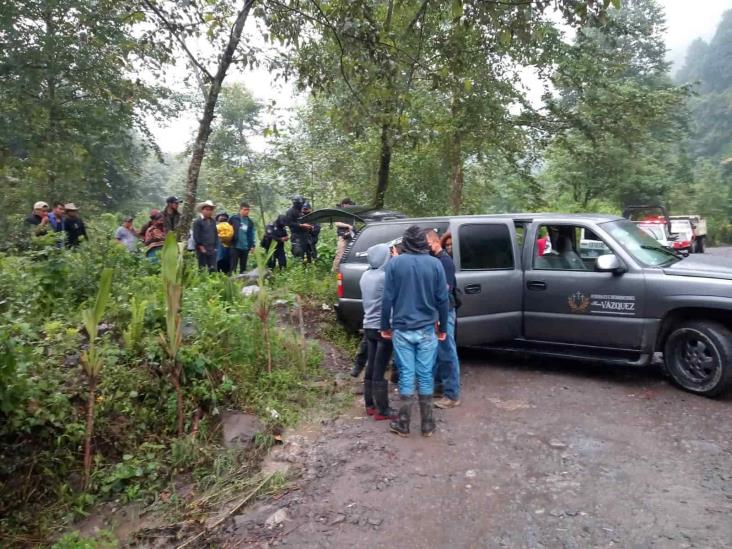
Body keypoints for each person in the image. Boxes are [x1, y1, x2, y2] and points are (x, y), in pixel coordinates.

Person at [380, 226, 448, 438]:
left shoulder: (395, 263)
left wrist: (384, 326)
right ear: (423, 242)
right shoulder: (436, 264)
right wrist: (443, 327)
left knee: (407, 374)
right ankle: (428, 425)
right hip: (428, 329)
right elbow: (443, 300)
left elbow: (387, 298)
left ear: (406, 242)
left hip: (402, 329)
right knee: (426, 374)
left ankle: (403, 424)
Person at [359, 244, 396, 421]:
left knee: (372, 365)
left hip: (368, 326)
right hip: (383, 328)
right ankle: (383, 410)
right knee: (380, 368)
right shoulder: (384, 277)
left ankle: (370, 405)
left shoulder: (366, 275)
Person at [426, 230, 461, 409]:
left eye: (427, 244)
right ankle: (439, 387)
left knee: (447, 352)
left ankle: (452, 394)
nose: (426, 248)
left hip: (444, 311)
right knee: (438, 352)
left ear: (434, 242)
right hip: (438, 312)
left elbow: (444, 293)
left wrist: (439, 317)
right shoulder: (436, 260)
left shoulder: (445, 262)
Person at [229, 202, 256, 274]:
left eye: (248, 210)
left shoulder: (250, 222)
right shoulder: (234, 218)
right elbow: (227, 228)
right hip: (235, 245)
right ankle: (231, 283)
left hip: (245, 247)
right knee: (232, 266)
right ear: (240, 210)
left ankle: (243, 282)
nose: (246, 211)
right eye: (245, 209)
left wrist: (253, 245)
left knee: (243, 268)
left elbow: (252, 234)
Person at [193, 200, 219, 272]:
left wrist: (216, 247)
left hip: (212, 248)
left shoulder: (213, 221)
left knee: (213, 268)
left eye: (210, 210)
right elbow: (196, 236)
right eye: (207, 209)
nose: (209, 211)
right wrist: (201, 247)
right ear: (202, 210)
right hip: (202, 248)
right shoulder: (198, 222)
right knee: (203, 268)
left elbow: (215, 234)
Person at [285, 195, 313, 261]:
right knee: (298, 253)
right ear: (295, 203)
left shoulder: (301, 211)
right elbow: (288, 223)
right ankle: (300, 267)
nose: (301, 205)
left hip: (305, 235)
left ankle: (309, 265)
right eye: (300, 204)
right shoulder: (290, 211)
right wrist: (301, 225)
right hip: (296, 235)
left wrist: (310, 226)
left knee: (308, 252)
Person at [332, 197, 355, 272]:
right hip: (342, 236)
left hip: (350, 235)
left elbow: (353, 223)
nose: (349, 207)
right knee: (340, 254)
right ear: (343, 204)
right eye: (347, 205)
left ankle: (345, 271)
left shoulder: (350, 212)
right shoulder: (338, 211)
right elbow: (337, 223)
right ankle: (335, 270)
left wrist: (351, 229)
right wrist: (347, 226)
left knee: (350, 253)